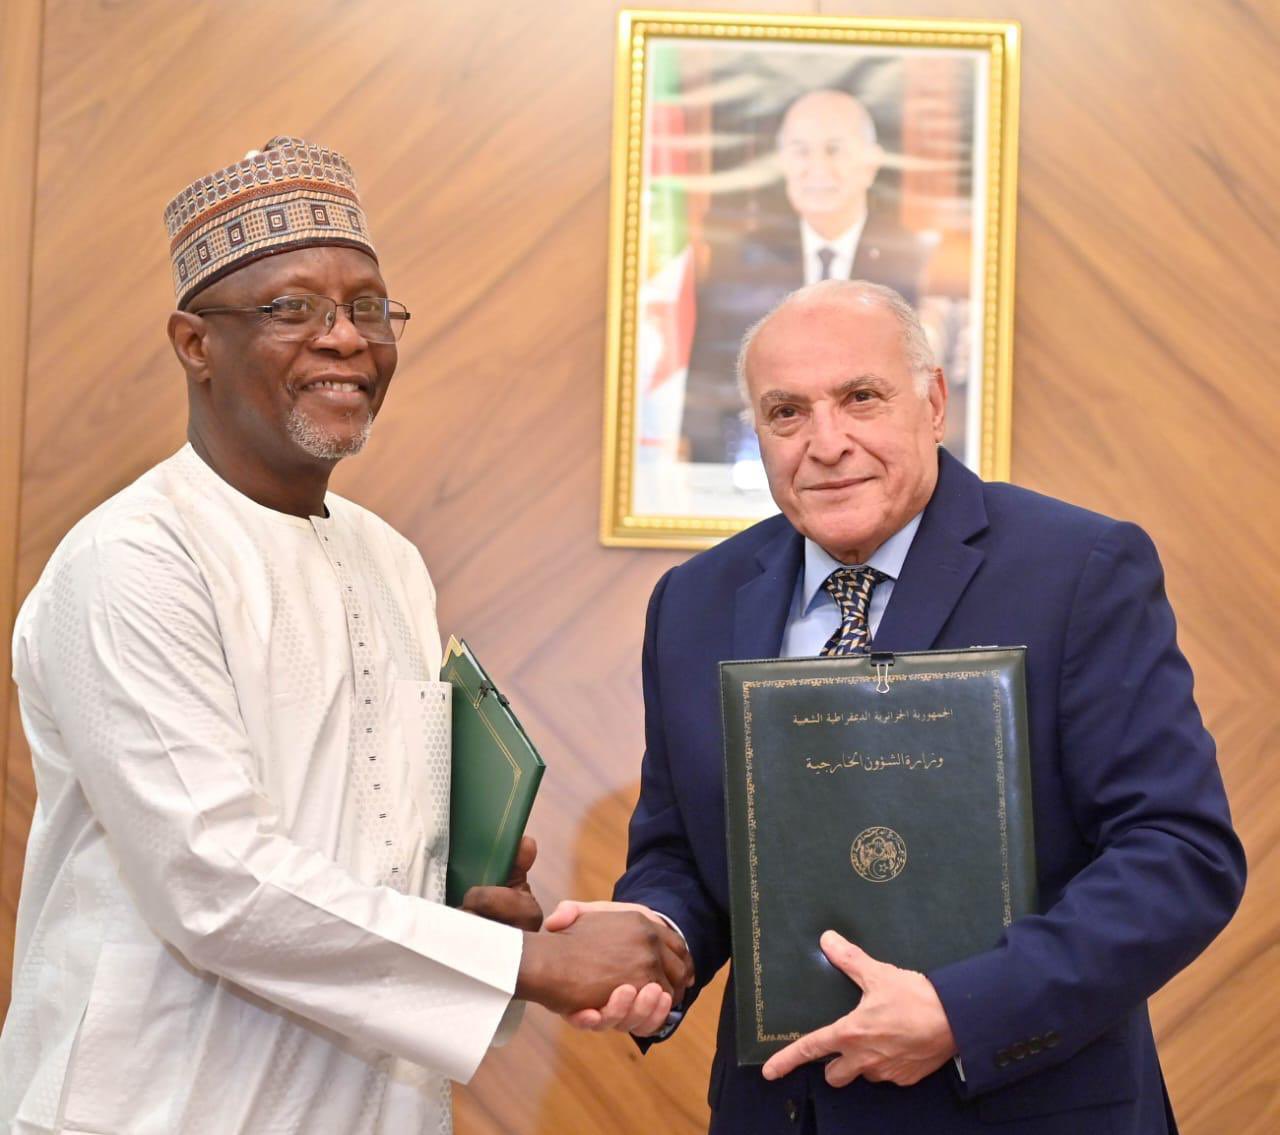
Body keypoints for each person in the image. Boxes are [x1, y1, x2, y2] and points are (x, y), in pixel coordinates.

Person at [0, 136, 690, 1135]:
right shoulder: (134, 559)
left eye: (369, 308)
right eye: (294, 309)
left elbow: (374, 838)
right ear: (194, 343)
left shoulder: (390, 559)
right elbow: (214, 879)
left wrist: (479, 905)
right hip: (168, 1102)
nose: (346, 340)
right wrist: (524, 963)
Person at [551, 279, 1245, 1133]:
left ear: (934, 402)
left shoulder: (1080, 570)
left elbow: (1180, 854)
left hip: (1021, 1108)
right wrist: (653, 937)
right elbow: (683, 852)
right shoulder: (694, 601)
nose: (826, 443)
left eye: (861, 398)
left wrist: (963, 1009)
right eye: (786, 412)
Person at [681, 89, 935, 464]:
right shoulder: (741, 259)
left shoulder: (914, 259)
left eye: (834, 150)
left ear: (871, 162)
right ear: (782, 161)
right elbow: (709, 387)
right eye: (800, 151)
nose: (817, 167)